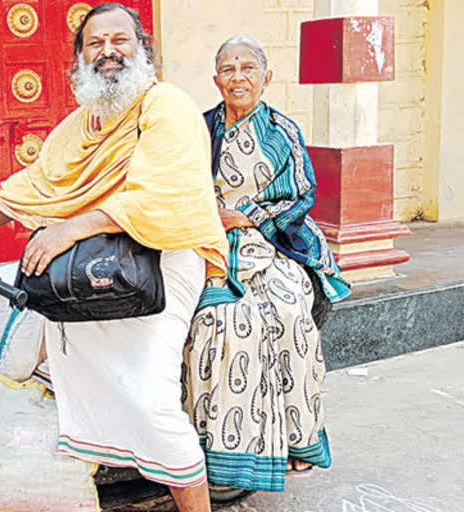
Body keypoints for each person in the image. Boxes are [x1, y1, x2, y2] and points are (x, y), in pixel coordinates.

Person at [0, 4, 228, 511]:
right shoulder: (82, 123)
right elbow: (29, 187)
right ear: (79, 59)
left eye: (120, 40)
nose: (108, 52)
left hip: (162, 263)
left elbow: (162, 193)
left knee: (149, 399)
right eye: (94, 44)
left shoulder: (166, 104)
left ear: (143, 48)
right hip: (90, 272)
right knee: (48, 377)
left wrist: (72, 227)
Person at [181, 34, 351, 493]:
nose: (238, 78)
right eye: (229, 70)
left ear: (265, 77)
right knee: (219, 321)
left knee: (291, 312)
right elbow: (179, 188)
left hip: (272, 241)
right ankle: (210, 447)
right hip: (209, 242)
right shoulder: (200, 129)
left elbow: (302, 193)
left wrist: (250, 216)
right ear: (217, 80)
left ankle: (297, 441)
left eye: (247, 68)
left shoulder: (283, 131)